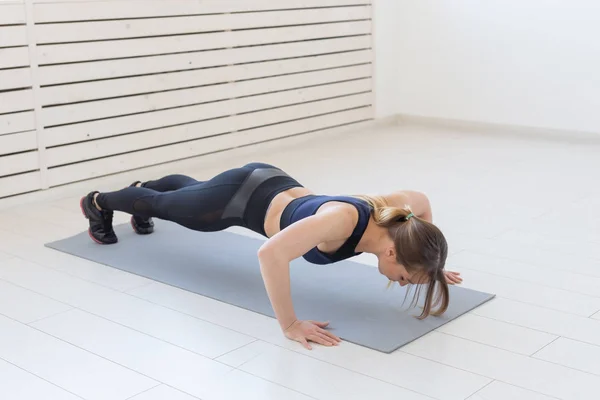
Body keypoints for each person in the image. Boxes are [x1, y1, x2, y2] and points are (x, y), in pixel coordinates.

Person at [80, 162, 462, 350]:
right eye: (405, 276)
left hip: (274, 185)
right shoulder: (341, 222)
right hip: (240, 198)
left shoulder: (401, 215)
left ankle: (146, 190)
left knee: (184, 198)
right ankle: (99, 202)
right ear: (392, 250)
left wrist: (430, 265)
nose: (402, 282)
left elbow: (424, 204)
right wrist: (290, 324)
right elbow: (270, 254)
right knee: (173, 209)